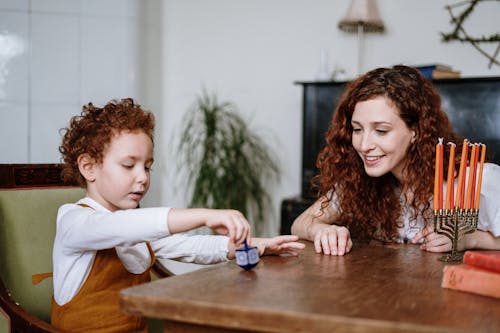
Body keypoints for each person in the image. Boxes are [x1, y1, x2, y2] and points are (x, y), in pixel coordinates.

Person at [51, 98, 304, 332]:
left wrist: (256, 245)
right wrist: (205, 215)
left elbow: (191, 246)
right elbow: (121, 227)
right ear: (88, 167)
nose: (142, 177)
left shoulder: (138, 229)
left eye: (147, 166)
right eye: (129, 165)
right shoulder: (74, 221)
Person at [291, 65, 500, 256]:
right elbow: (300, 223)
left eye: (381, 131)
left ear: (416, 132)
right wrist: (322, 229)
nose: (364, 145)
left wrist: (470, 238)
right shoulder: (358, 182)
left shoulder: (479, 179)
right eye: (357, 129)